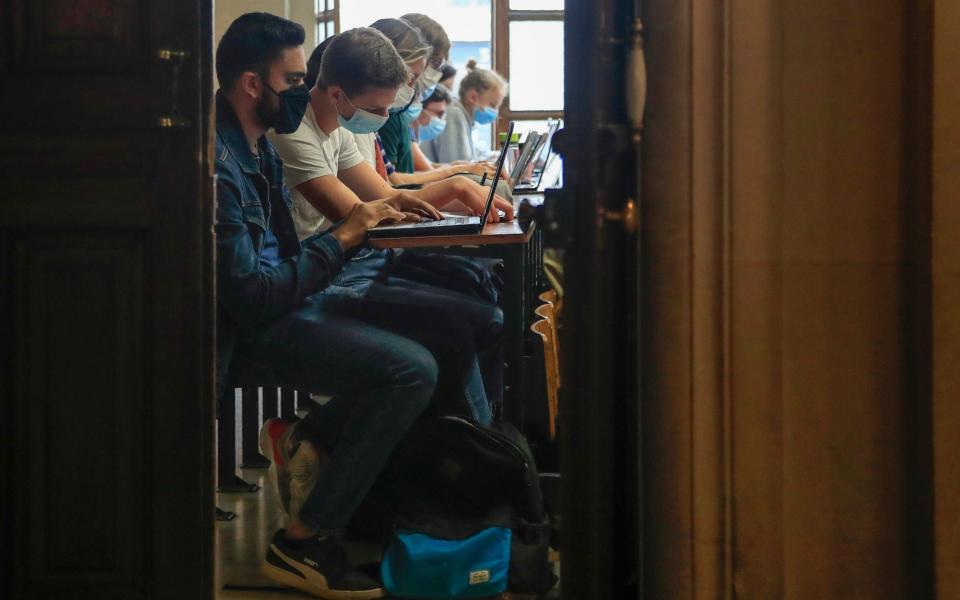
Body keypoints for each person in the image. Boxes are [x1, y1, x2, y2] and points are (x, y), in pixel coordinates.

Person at [214, 14, 493, 599]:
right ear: (251, 85)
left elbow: (307, 250)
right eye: (294, 80)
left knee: (458, 323)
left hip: (300, 295)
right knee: (411, 367)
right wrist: (343, 239)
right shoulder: (224, 165)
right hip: (259, 326)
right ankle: (304, 540)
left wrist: (346, 241)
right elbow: (253, 297)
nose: (304, 90)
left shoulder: (255, 149)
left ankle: (481, 499)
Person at [421, 59, 509, 164]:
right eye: (493, 105)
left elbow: (472, 156)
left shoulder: (464, 117)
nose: (496, 112)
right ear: (473, 97)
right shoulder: (454, 115)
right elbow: (457, 166)